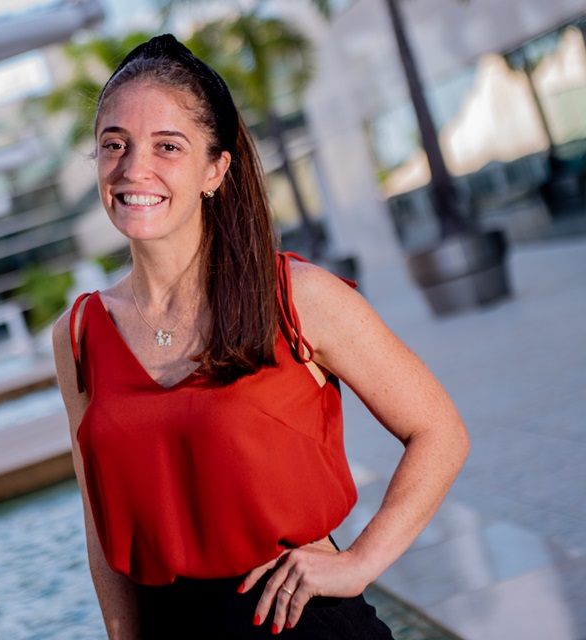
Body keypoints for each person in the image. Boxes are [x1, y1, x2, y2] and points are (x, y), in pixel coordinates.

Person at [51, 34, 469, 639]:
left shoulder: (295, 296)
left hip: (299, 626)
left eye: (167, 146)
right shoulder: (80, 334)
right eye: (114, 144)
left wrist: (360, 562)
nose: (133, 167)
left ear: (215, 170)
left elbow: (440, 431)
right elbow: (100, 521)